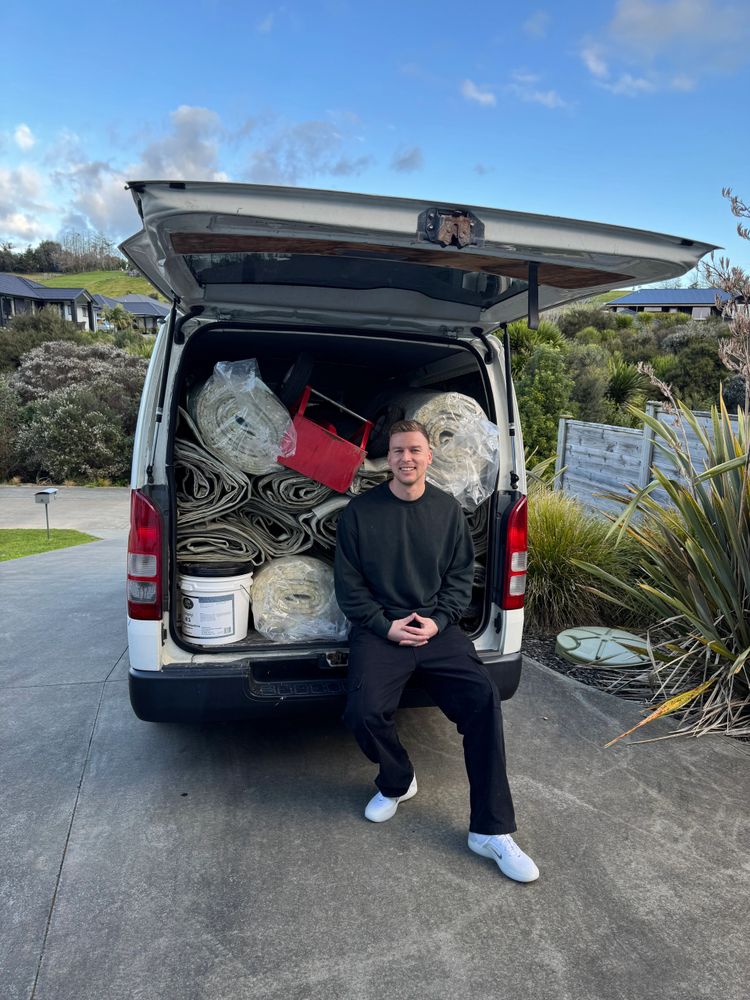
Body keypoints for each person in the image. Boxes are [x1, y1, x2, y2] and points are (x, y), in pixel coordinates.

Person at [334, 419, 539, 884]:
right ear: (388, 458)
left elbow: (460, 577)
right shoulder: (360, 513)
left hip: (435, 628)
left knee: (483, 699)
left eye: (415, 450)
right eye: (398, 450)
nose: (406, 458)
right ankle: (397, 781)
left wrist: (439, 620)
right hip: (381, 629)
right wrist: (385, 626)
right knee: (362, 712)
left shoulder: (447, 511)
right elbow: (349, 585)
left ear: (429, 456)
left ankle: (490, 831)